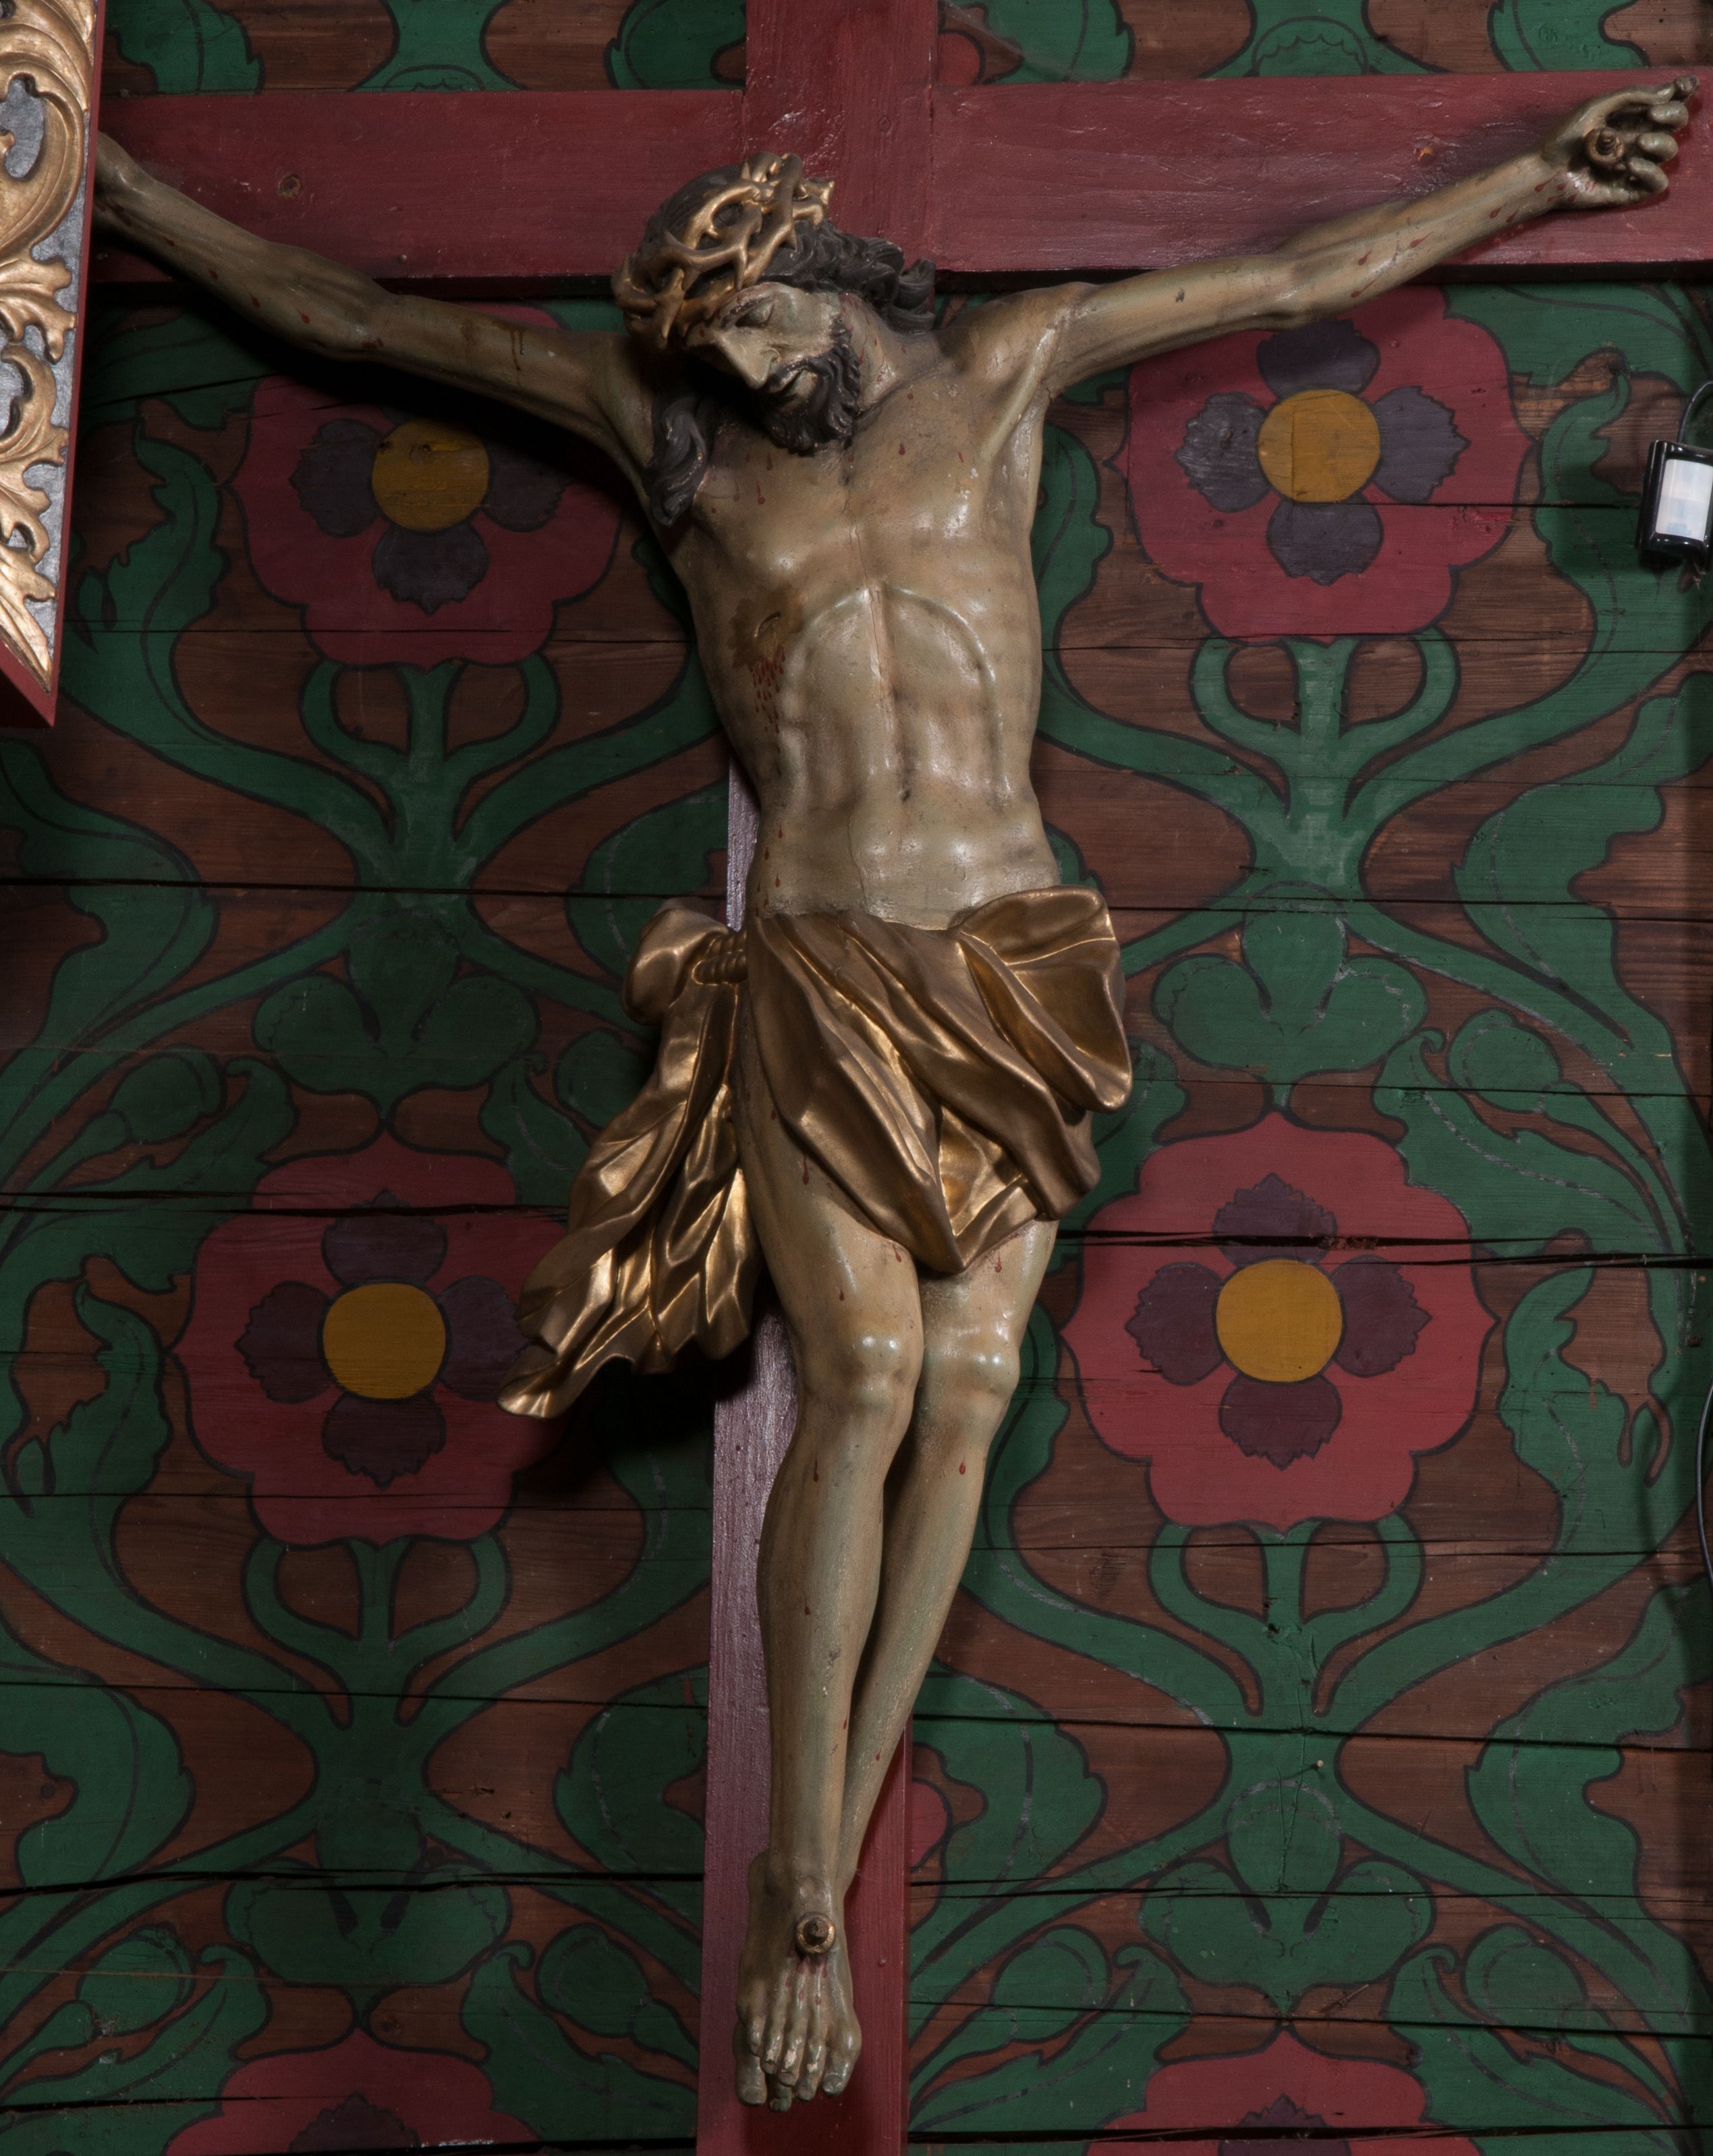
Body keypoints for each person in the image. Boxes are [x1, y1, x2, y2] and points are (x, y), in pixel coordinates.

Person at [93, 78, 1695, 2111]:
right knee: (855, 1372)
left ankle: (823, 1867)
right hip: (824, 954)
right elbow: (360, 320)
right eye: (712, 354)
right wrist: (110, 182)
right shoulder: (669, 442)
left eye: (760, 322)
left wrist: (1533, 177)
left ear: (820, 265)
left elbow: (1291, 274)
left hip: (1009, 956)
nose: (748, 371)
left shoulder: (1007, 369)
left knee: (973, 1385)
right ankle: (797, 1876)